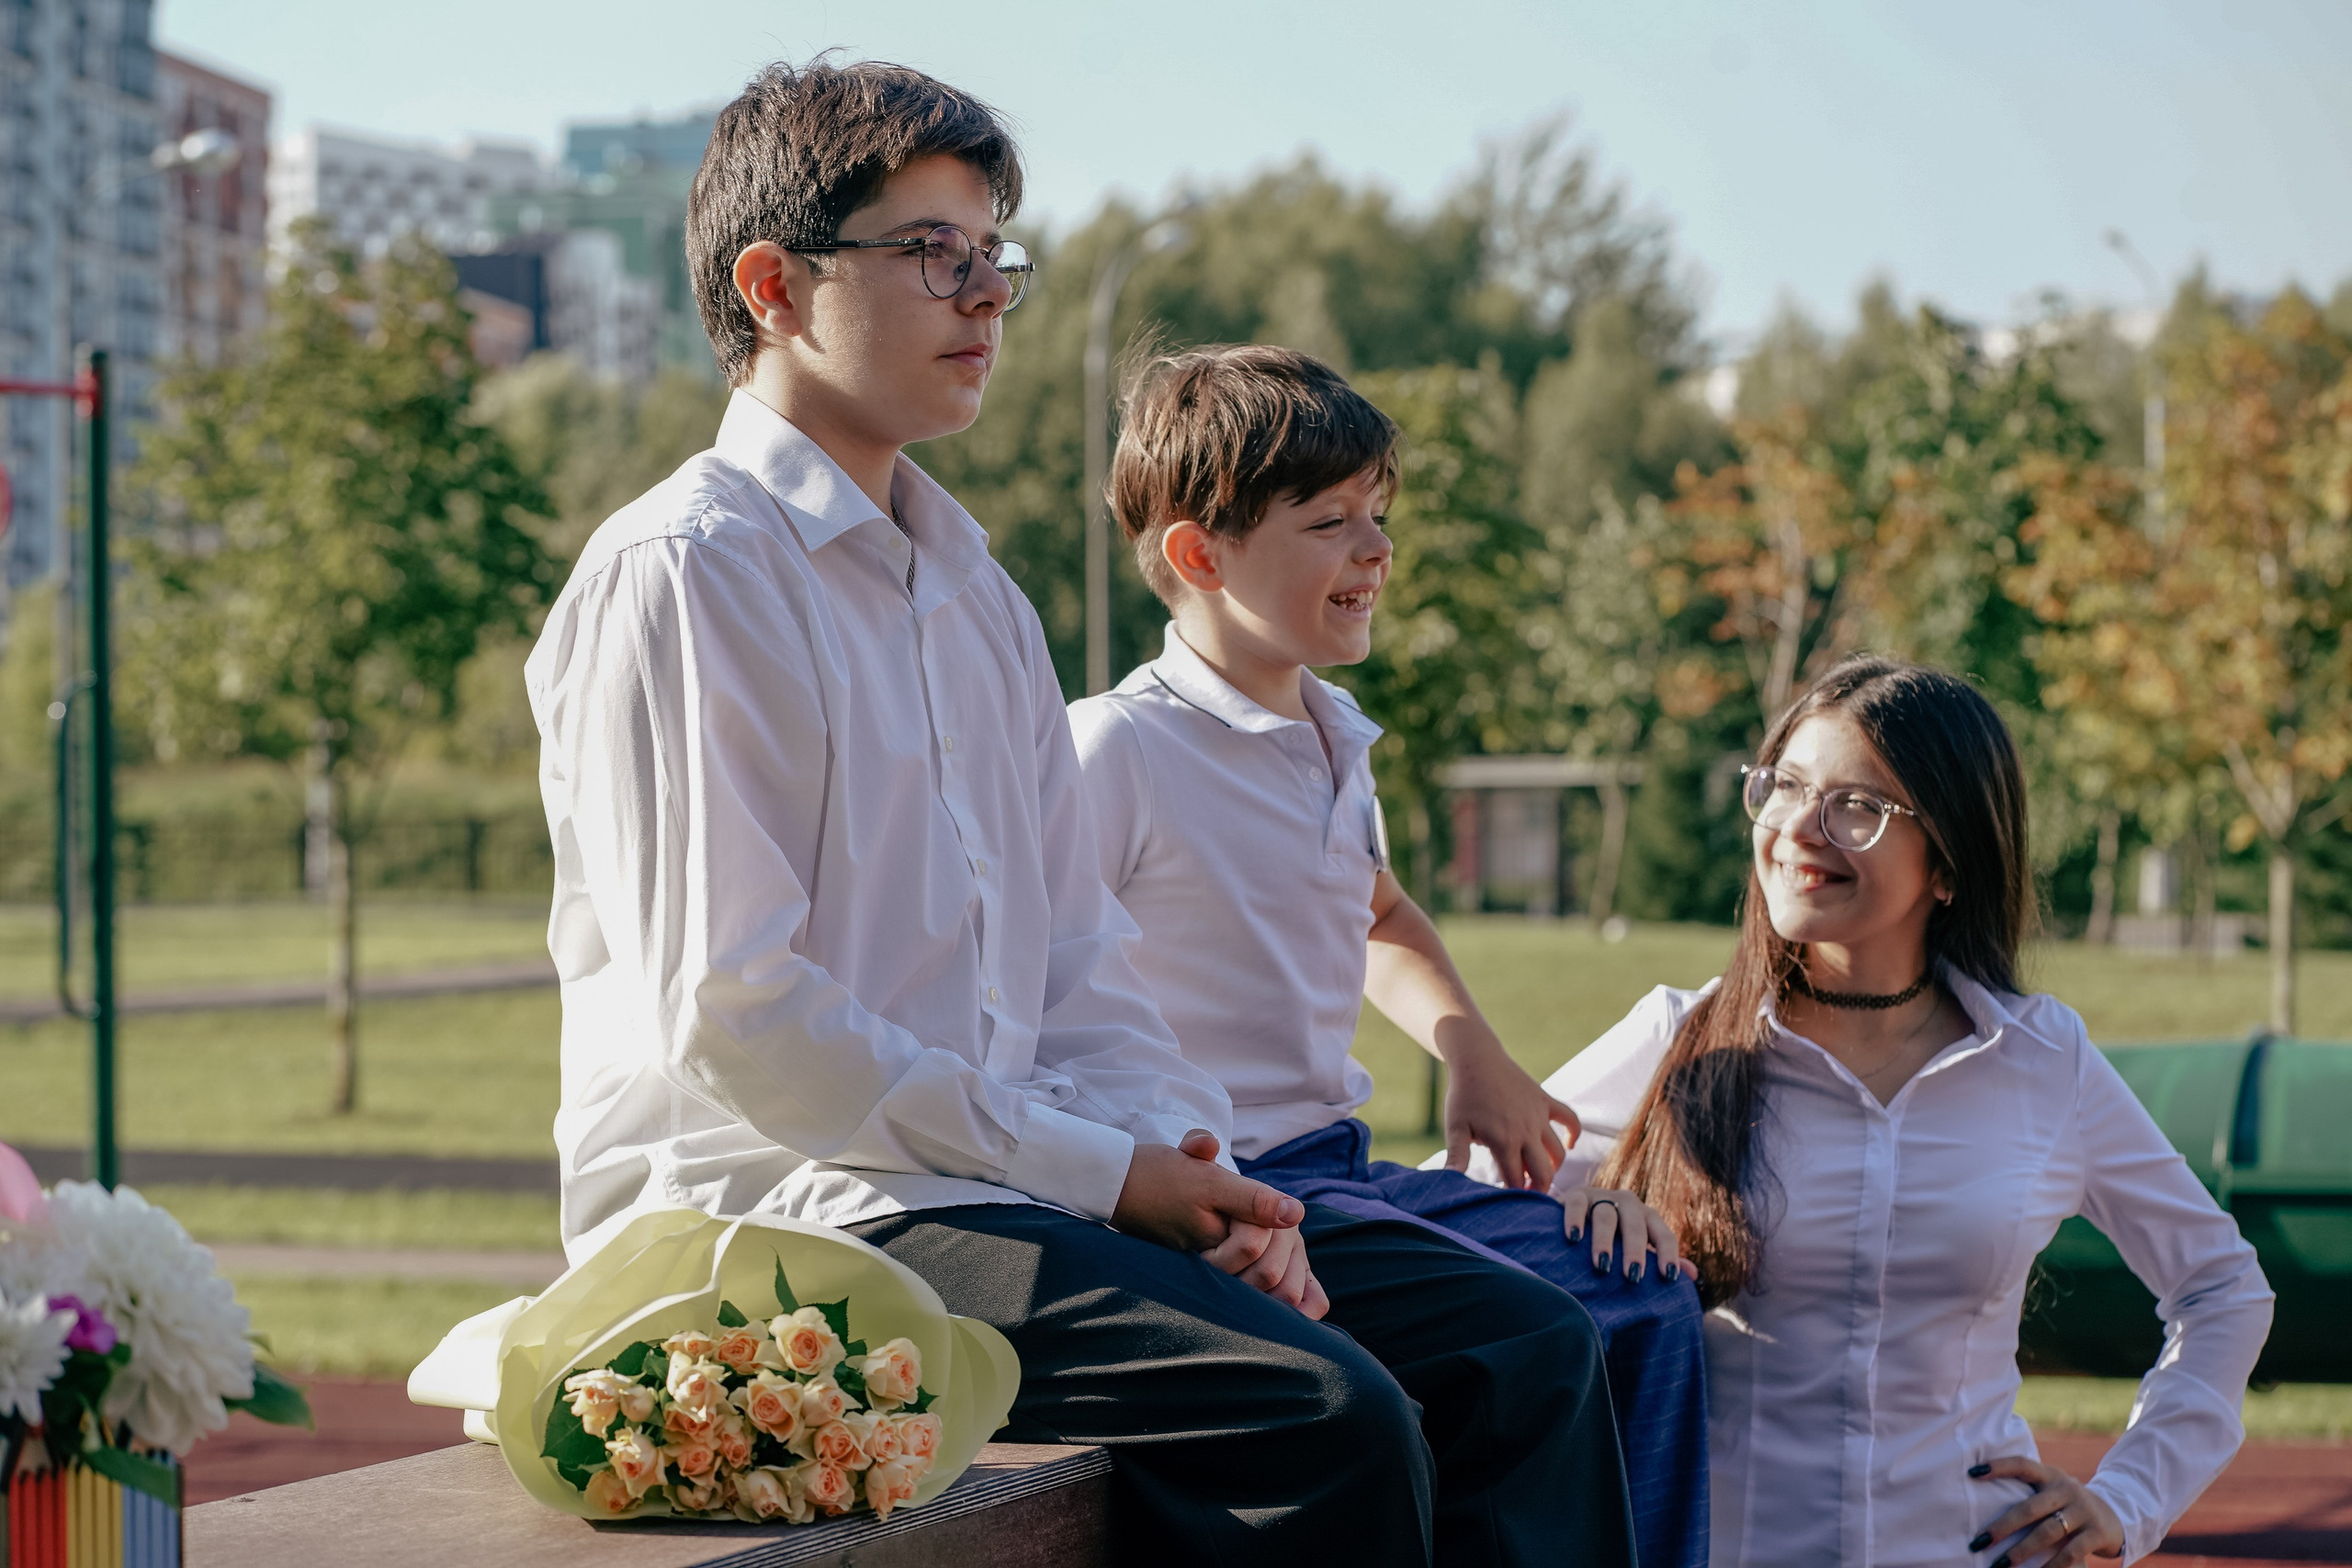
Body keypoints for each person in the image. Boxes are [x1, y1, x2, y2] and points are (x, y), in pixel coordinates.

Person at [525, 58, 1634, 1568]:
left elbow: (1075, 975)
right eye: (934, 254)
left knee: (1524, 1350)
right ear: (774, 285)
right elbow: (740, 1014)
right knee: (1318, 1412)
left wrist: (1202, 1170)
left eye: (999, 258)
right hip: (786, 1228)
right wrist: (1112, 1175)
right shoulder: (690, 574)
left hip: (1003, 1192)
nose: (986, 296)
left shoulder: (977, 599)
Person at [1067, 343, 1712, 1568]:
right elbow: (1025, 991)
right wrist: (1159, 1177)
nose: (1376, 550)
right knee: (1528, 1339)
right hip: (1223, 1201)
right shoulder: (1113, 752)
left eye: (1379, 515)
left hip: (1342, 1175)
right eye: (1330, 522)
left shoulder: (1328, 737)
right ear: (1199, 555)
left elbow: (1384, 916)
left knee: (1645, 1295)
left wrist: (1477, 1056)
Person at [1517, 655, 2273, 1568]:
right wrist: (1560, 1217)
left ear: (1948, 864)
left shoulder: (2043, 1060)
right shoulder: (1677, 1041)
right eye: (1783, 787)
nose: (1799, 829)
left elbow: (2222, 1289)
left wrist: (2130, 1497)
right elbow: (1439, 1219)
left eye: (1857, 807)